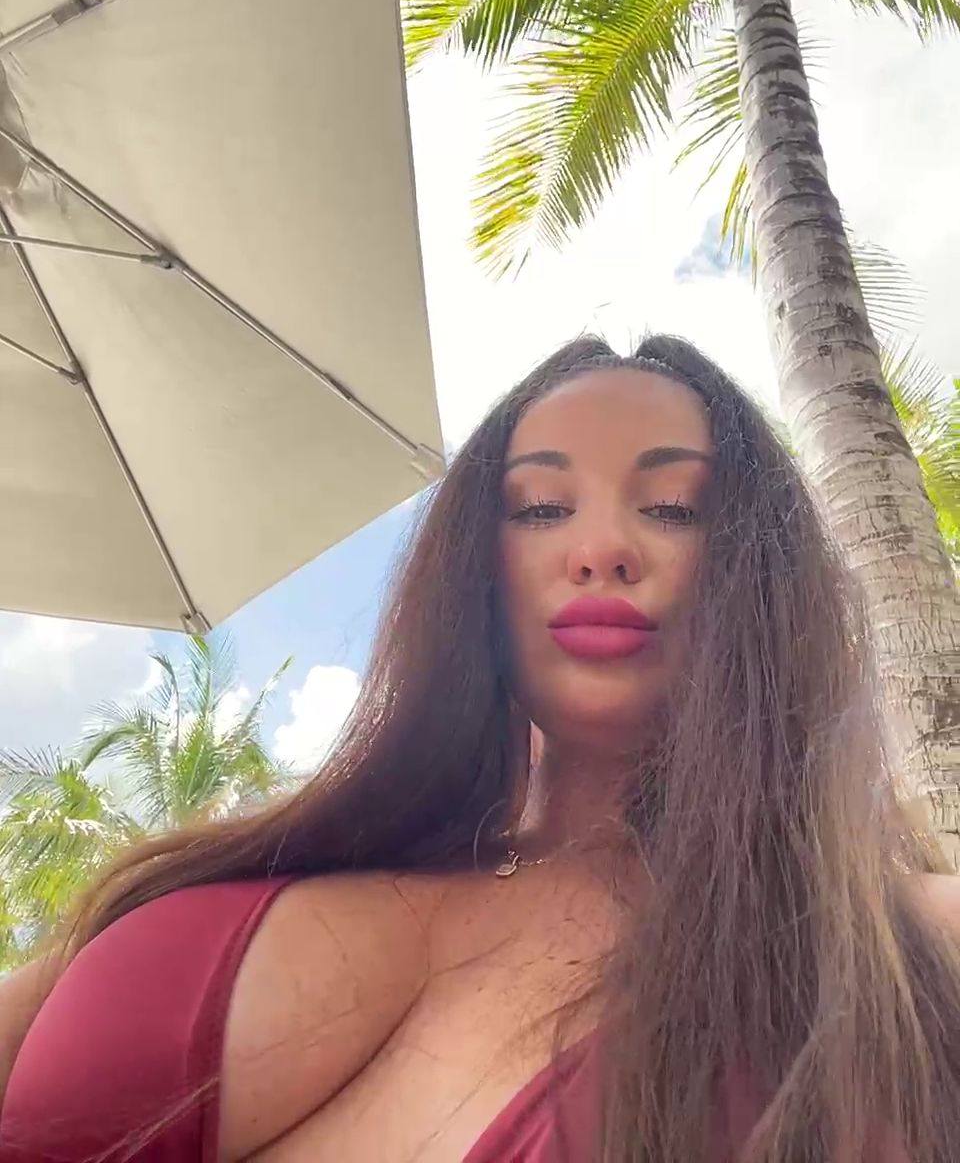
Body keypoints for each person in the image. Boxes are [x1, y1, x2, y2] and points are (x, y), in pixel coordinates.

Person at [1, 334, 959, 1163]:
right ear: (475, 568)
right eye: (540, 507)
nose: (601, 548)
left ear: (760, 571)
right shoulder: (248, 869)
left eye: (672, 507)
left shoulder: (901, 946)